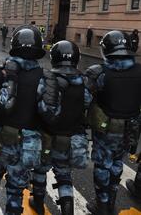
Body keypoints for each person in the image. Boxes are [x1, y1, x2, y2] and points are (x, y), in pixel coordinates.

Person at [0, 25, 47, 215]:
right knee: (16, 189)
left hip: (1, 137)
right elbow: (46, 111)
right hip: (28, 141)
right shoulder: (43, 77)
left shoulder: (1, 74)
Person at [29, 41, 92, 215]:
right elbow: (87, 103)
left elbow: (39, 106)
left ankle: (38, 203)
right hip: (70, 137)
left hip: (47, 136)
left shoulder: (48, 80)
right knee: (64, 175)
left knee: (40, 171)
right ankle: (67, 209)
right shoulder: (83, 83)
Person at [85, 30, 141, 215]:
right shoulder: (139, 71)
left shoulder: (99, 72)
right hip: (129, 130)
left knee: (102, 167)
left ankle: (102, 205)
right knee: (117, 164)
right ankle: (111, 201)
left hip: (106, 131)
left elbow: (83, 100)